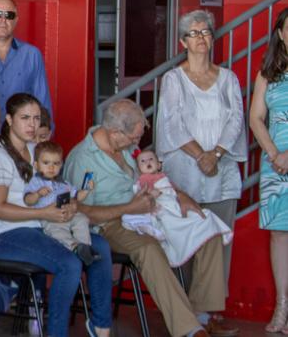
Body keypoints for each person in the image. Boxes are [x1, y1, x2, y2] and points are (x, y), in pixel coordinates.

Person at [65, 99, 236, 337]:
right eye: (133, 138)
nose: (137, 143)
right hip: (111, 223)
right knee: (148, 248)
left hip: (152, 211)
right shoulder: (83, 159)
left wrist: (181, 195)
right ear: (115, 133)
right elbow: (80, 212)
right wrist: (129, 208)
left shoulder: (125, 148)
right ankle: (190, 329)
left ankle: (202, 315)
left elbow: (154, 176)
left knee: (206, 224)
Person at [0, 93, 112, 337]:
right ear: (8, 119)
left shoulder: (34, 150)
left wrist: (68, 205)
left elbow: (55, 188)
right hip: (2, 234)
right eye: (25, 118)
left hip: (38, 226)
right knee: (68, 263)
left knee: (99, 247)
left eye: (37, 118)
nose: (32, 124)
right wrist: (44, 212)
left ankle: (101, 327)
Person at [156, 10, 246, 294]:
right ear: (183, 41)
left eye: (206, 31)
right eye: (194, 33)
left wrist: (216, 154)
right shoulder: (173, 79)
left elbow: (236, 120)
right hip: (184, 171)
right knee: (185, 239)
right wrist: (201, 156)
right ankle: (187, 311)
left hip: (222, 171)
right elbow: (173, 124)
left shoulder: (228, 77)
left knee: (219, 240)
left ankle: (212, 312)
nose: (201, 37)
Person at [120, 149, 233, 266]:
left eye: (151, 159)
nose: (147, 162)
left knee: (197, 215)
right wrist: (152, 194)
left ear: (159, 165)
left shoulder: (164, 176)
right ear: (139, 169)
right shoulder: (144, 179)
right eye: (142, 161)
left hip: (172, 202)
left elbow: (174, 190)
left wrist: (176, 195)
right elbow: (144, 194)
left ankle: (198, 232)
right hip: (161, 204)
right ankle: (177, 239)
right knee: (169, 219)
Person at [248, 6, 288, 334]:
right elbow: (255, 118)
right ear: (281, 33)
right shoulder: (268, 72)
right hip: (276, 165)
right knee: (280, 234)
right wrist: (276, 153)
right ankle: (282, 308)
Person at [0, 0, 53, 132]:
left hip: (21, 142)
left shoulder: (31, 54)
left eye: (9, 15)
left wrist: (43, 138)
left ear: (16, 20)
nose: (3, 21)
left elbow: (43, 102)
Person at [23, 140, 100, 265]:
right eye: (46, 163)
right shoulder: (36, 182)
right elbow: (27, 200)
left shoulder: (63, 183)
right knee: (58, 233)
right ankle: (74, 247)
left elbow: (77, 196)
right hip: (50, 219)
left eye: (56, 163)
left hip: (69, 215)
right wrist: (37, 194)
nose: (51, 167)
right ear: (36, 165)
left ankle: (85, 247)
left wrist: (87, 189)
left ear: (61, 165)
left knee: (82, 219)